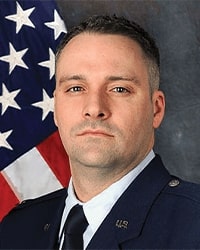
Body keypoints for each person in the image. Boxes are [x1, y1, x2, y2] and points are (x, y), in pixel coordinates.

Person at [1, 14, 200, 249]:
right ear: (55, 108)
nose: (94, 108)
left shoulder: (193, 226)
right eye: (76, 88)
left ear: (155, 110)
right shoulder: (16, 229)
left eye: (119, 89)